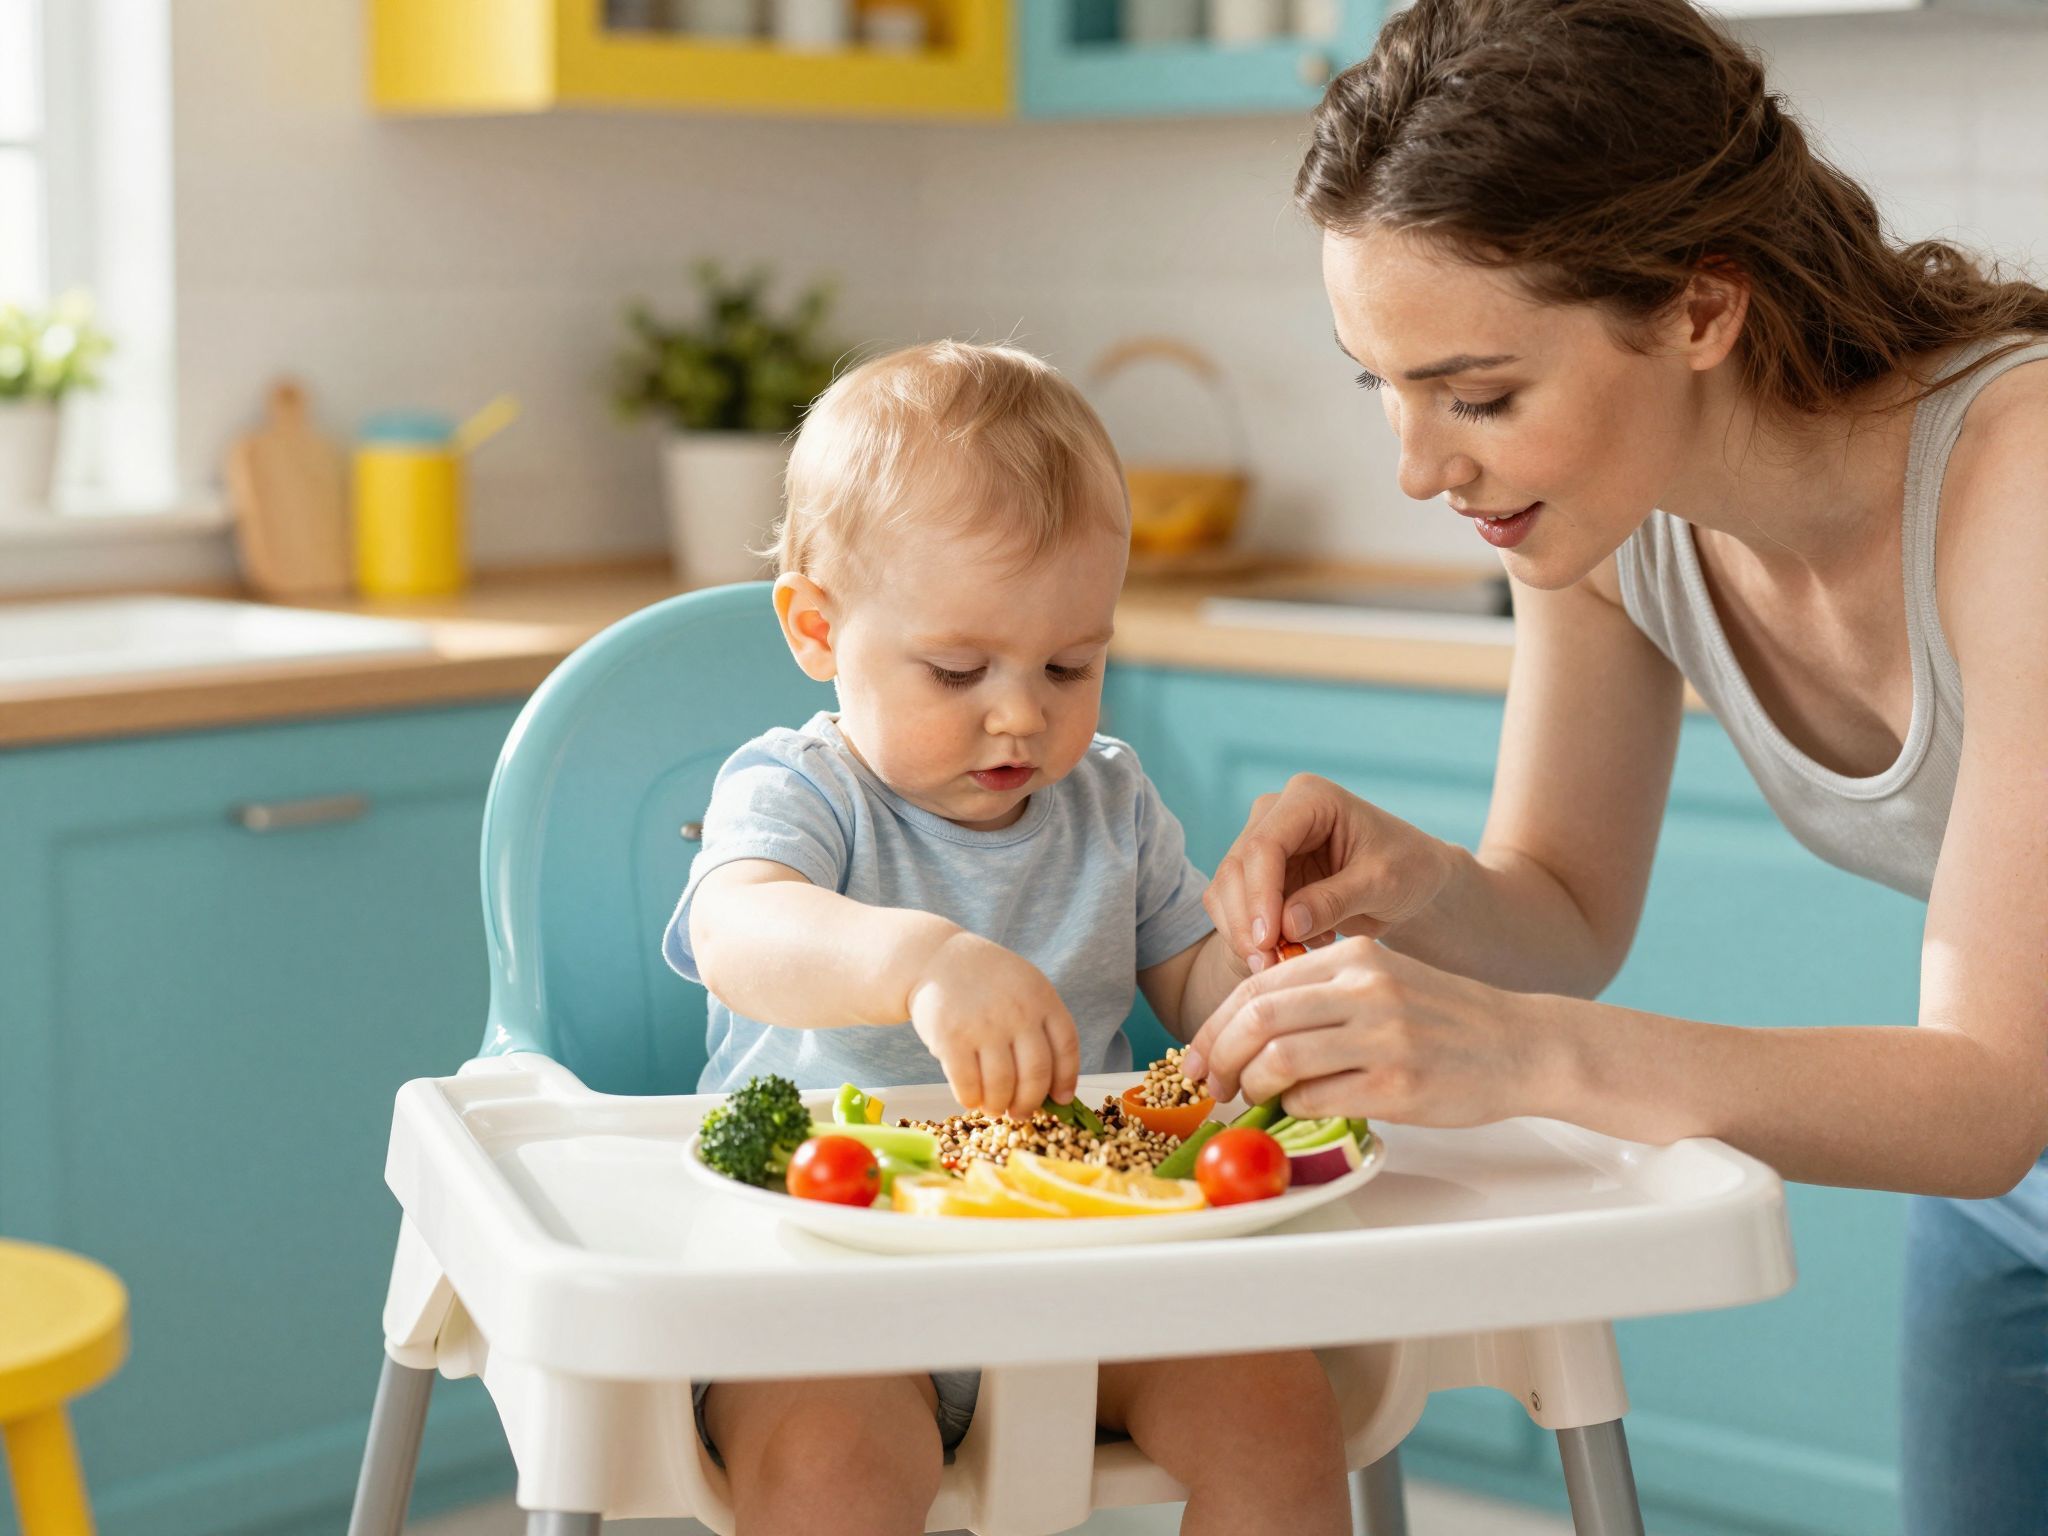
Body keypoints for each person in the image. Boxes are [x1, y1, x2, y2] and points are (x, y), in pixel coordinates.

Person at [1177, 3, 2048, 1532]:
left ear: (1702, 310)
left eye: (1480, 395)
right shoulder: (1599, 519)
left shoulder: (2019, 484)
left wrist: (1514, 1052)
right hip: (2008, 1200)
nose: (1420, 466)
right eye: (1380, 387)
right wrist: (1427, 886)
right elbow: (1566, 906)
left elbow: (1983, 1092)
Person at [665, 340, 1351, 1536]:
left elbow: (1190, 975)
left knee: (1282, 1415)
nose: (1021, 712)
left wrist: (1266, 989)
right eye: (955, 668)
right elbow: (737, 930)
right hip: (825, 1287)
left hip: (1077, 1262)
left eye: (1070, 664)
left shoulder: (1110, 800)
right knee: (831, 1474)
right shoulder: (798, 791)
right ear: (817, 632)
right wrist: (918, 962)